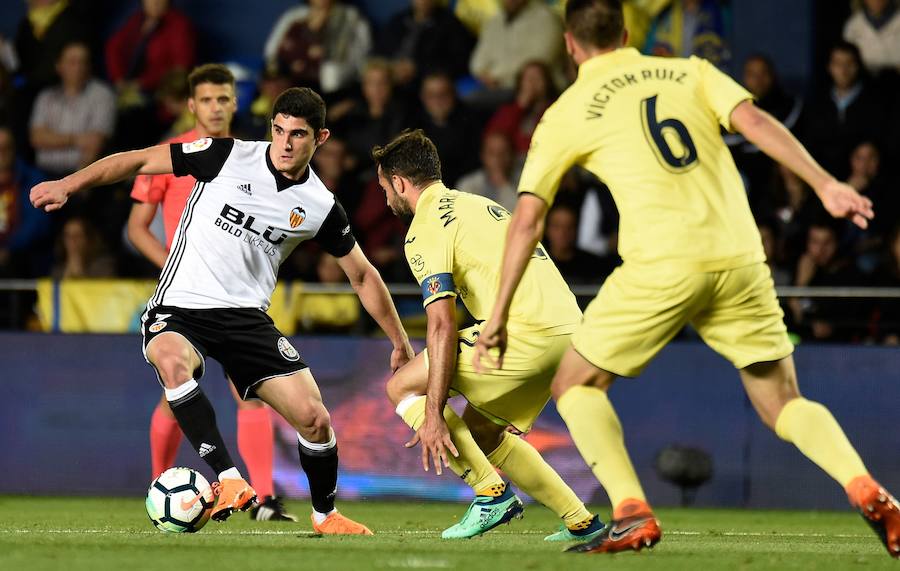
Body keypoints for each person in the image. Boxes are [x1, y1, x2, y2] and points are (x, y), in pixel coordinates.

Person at [473, 0, 899, 557]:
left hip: (663, 262)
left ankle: (630, 512)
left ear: (570, 44)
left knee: (574, 384)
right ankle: (866, 487)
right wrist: (825, 185)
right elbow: (755, 121)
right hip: (740, 254)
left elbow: (527, 219)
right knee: (781, 401)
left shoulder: (567, 110)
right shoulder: (688, 69)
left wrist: (498, 315)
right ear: (627, 33)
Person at [32, 87, 415, 535]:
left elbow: (363, 276)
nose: (286, 143)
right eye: (278, 130)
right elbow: (137, 160)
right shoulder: (225, 156)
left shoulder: (320, 206)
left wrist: (399, 339)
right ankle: (231, 480)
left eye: (298, 134)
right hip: (182, 305)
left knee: (314, 418)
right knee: (173, 363)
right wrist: (68, 184)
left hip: (246, 319)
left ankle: (325, 515)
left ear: (321, 138)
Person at [373, 129, 604, 542]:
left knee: (400, 387)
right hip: (570, 332)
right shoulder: (481, 205)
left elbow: (441, 325)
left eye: (384, 188)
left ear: (400, 183)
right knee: (484, 431)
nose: (385, 198)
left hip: (524, 333)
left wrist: (431, 416)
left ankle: (490, 494)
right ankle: (582, 523)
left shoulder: (424, 229)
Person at [126, 64, 294, 522]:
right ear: (191, 105)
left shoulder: (248, 156)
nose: (216, 108)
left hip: (235, 297)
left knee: (251, 392)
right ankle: (159, 484)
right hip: (183, 297)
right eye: (207, 100)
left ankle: (262, 500)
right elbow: (137, 228)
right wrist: (177, 269)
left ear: (236, 103)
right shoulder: (173, 154)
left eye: (224, 99)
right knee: (176, 390)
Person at [29, 41, 115, 178]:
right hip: (42, 175)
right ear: (59, 66)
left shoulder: (102, 95)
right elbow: (37, 138)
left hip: (82, 176)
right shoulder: (46, 97)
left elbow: (95, 143)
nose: (78, 67)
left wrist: (76, 181)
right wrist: (76, 139)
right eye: (72, 62)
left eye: (83, 62)